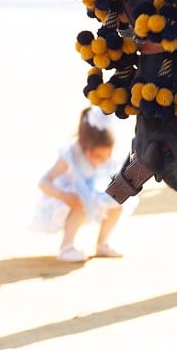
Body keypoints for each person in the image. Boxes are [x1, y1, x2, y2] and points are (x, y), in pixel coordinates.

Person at [33, 106, 133, 262]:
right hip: (65, 198)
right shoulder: (70, 155)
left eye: (107, 156)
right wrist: (64, 196)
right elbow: (43, 183)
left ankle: (102, 244)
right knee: (79, 202)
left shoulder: (107, 156)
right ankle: (66, 247)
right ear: (85, 148)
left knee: (117, 202)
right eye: (98, 156)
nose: (103, 160)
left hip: (92, 192)